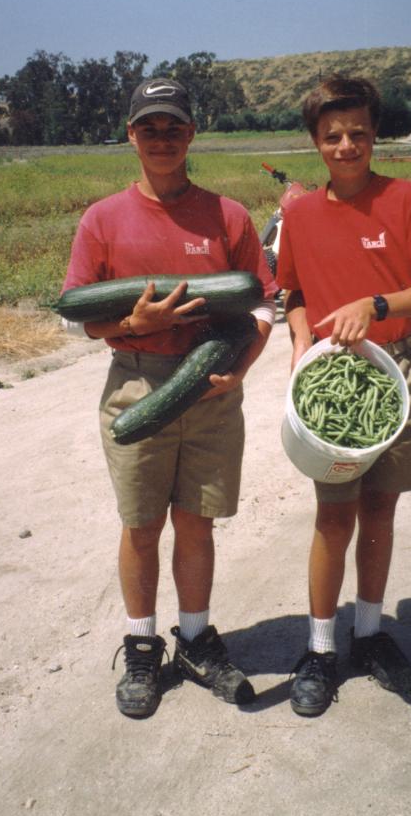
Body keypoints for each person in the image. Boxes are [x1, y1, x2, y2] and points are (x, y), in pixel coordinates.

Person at [62, 77, 278, 718]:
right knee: (141, 525)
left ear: (192, 133)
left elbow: (261, 300)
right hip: (137, 380)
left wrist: (242, 367)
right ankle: (139, 644)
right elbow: (76, 314)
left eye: (174, 126)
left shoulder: (229, 216)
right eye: (149, 127)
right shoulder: (102, 218)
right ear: (130, 134)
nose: (162, 138)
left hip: (212, 382)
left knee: (196, 523)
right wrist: (134, 325)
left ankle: (195, 637)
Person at [276, 75, 411, 717]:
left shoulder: (408, 199)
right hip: (334, 373)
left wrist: (378, 303)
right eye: (333, 136)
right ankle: (321, 647)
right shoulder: (298, 214)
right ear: (315, 142)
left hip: (398, 372)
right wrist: (301, 341)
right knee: (334, 515)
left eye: (358, 132)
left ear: (374, 132)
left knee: (381, 510)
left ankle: (371, 633)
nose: (347, 145)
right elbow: (291, 293)